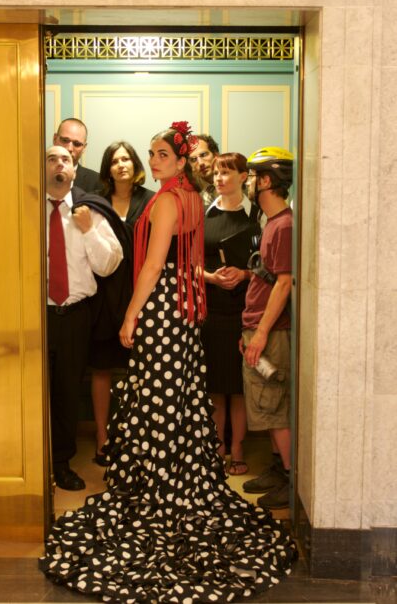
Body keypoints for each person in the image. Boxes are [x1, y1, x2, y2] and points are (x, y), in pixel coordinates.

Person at [40, 128, 296, 602]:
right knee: (178, 396)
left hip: (160, 308)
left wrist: (132, 313)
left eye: (162, 154)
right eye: (152, 153)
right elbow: (186, 262)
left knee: (157, 397)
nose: (153, 160)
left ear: (180, 163)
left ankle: (159, 486)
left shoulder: (164, 203)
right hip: (185, 309)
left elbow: (154, 267)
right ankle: (180, 477)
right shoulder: (194, 200)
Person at [45, 145, 123, 490]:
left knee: (65, 393)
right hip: (33, 317)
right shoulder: (25, 208)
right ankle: (32, 461)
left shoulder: (91, 211)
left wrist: (89, 229)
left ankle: (61, 463)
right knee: (31, 392)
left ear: (76, 171)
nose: (60, 163)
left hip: (75, 317)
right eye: (52, 158)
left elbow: (109, 265)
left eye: (67, 159)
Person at [90, 141, 154, 465]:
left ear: (135, 164)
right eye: (114, 160)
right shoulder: (97, 203)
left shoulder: (152, 200)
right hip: (103, 296)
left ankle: (136, 438)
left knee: (140, 370)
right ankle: (102, 437)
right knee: (101, 369)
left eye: (126, 159)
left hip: (142, 294)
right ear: (108, 168)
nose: (121, 165)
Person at [241, 147, 293, 510]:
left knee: (274, 407)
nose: (247, 183)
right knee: (268, 407)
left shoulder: (285, 225)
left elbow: (284, 283)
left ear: (267, 180)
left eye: (252, 176)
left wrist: (259, 333)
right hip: (258, 328)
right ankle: (278, 469)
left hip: (270, 333)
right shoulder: (272, 223)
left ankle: (290, 479)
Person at [202, 152, 260, 475]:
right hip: (211, 309)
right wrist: (212, 277)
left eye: (226, 173)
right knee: (214, 384)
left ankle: (237, 447)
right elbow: (188, 264)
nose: (220, 179)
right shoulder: (204, 213)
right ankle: (217, 446)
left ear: (243, 176)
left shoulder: (256, 216)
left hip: (245, 309)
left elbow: (270, 268)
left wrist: (244, 275)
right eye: (216, 173)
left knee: (239, 386)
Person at [53, 118, 102, 192]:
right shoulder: (35, 175)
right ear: (55, 139)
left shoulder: (97, 182)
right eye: (65, 140)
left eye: (77, 144)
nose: (69, 148)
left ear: (84, 148)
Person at [188, 133, 219, 209]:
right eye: (193, 160)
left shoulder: (237, 182)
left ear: (216, 155)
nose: (200, 163)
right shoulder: (190, 193)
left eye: (204, 155)